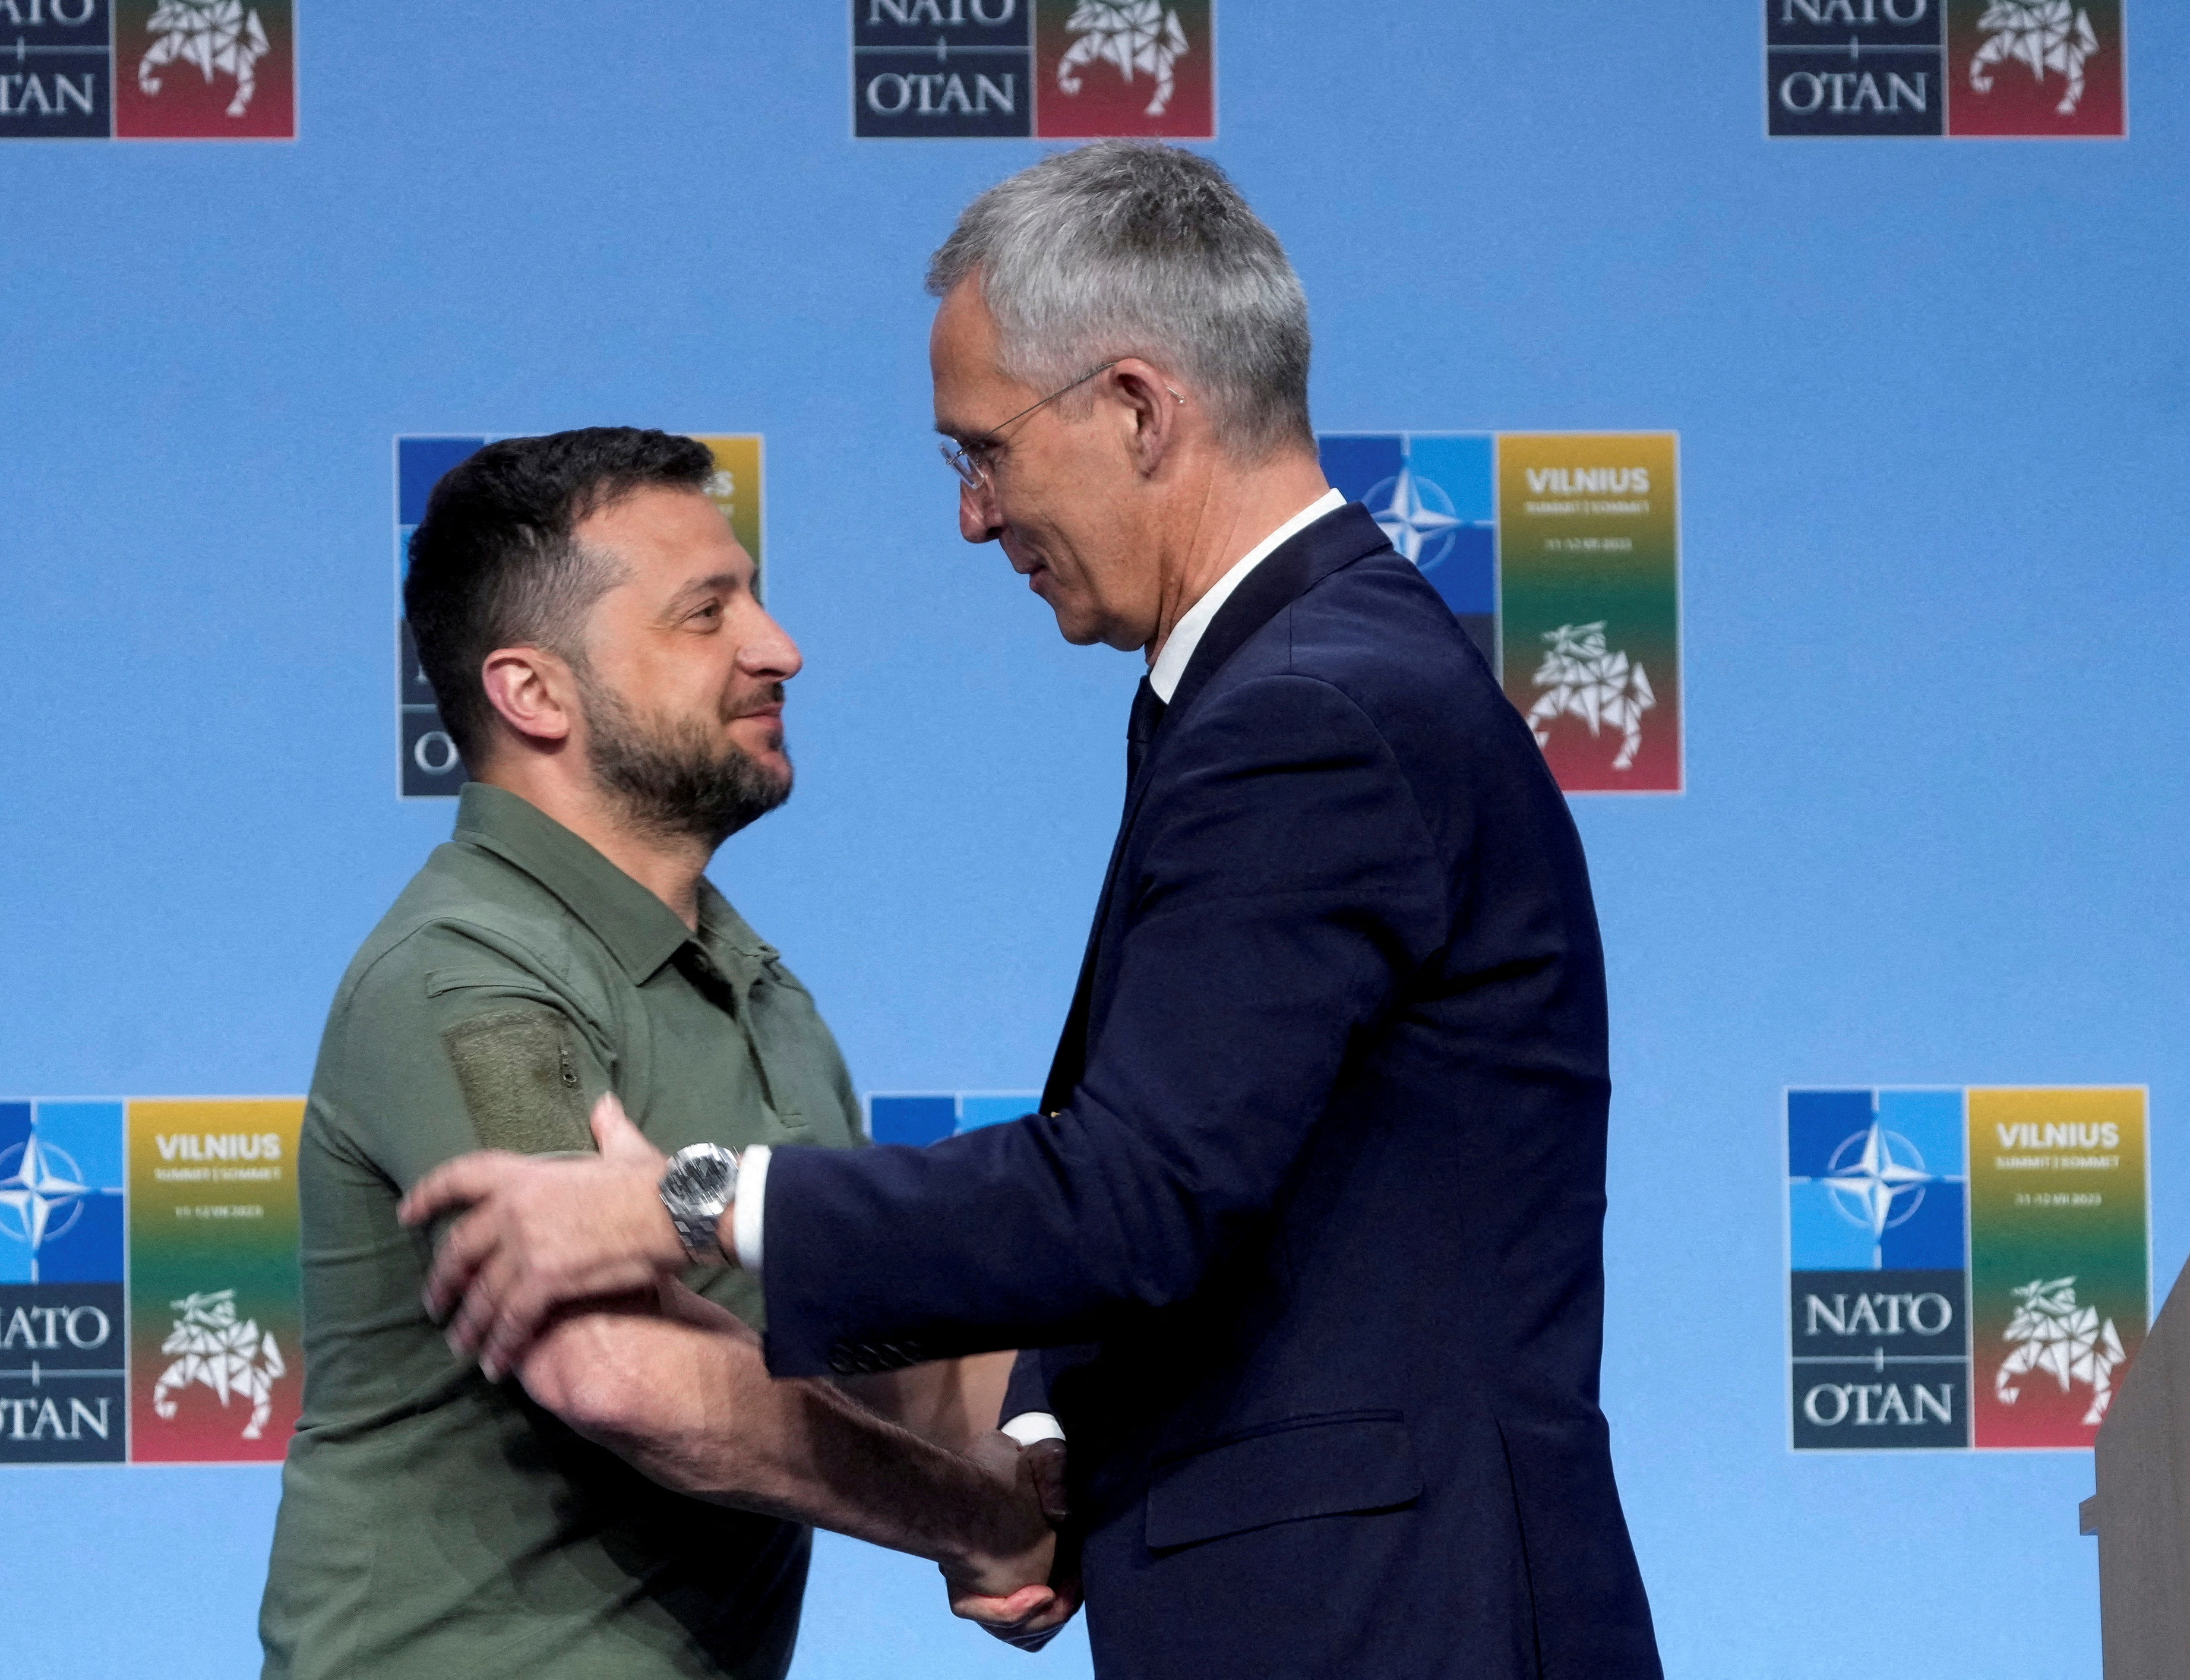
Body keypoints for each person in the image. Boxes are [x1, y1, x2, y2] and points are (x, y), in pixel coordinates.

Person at [403, 150, 1666, 1678]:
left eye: (981, 452)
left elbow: (1138, 1193)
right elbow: (1249, 1175)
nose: (973, 515)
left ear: (1138, 407)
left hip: (1395, 1620)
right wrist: (1047, 1421)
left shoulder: (1311, 714)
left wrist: (680, 1202)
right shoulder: (1300, 681)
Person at [257, 427, 1063, 1680]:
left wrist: (1098, 1461)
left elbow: (893, 1356)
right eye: (706, 613)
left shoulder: (760, 991)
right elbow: (622, 1368)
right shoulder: (469, 972)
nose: (777, 646)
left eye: (753, 593)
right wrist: (984, 1522)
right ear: (534, 694)